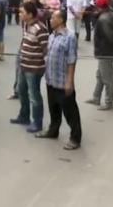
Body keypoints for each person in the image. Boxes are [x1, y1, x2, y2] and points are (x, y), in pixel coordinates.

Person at [36, 9, 81, 150]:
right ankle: (53, 130)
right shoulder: (52, 35)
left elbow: (72, 60)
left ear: (61, 20)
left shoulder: (70, 36)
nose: (50, 20)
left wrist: (69, 81)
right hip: (51, 80)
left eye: (53, 18)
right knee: (53, 109)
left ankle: (75, 138)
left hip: (63, 82)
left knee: (70, 112)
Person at [11, 1, 48, 132]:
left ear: (30, 14)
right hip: (23, 66)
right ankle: (24, 116)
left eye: (22, 12)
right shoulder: (26, 25)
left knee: (34, 95)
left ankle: (37, 123)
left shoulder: (40, 29)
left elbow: (46, 50)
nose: (19, 14)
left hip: (34, 69)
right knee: (21, 92)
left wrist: (36, 61)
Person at [86, 0, 113, 111]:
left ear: (100, 7)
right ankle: (96, 97)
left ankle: (108, 102)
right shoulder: (107, 16)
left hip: (105, 52)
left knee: (106, 79)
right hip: (105, 52)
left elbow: (110, 37)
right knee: (100, 76)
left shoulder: (104, 19)